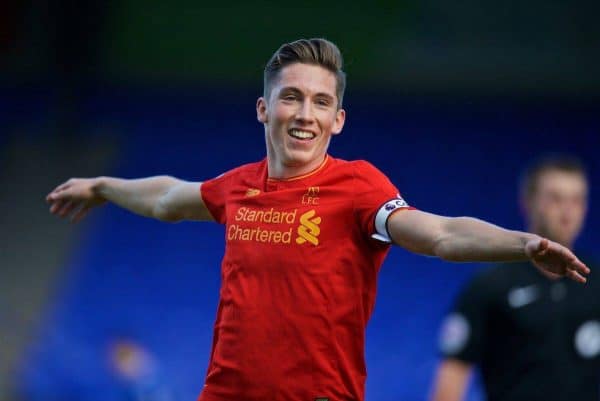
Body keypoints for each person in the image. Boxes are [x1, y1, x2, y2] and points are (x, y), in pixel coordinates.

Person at [46, 38, 589, 401]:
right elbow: (168, 198)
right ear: (264, 109)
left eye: (321, 102)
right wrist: (102, 186)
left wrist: (522, 244)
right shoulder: (239, 187)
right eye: (291, 98)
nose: (305, 114)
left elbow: (441, 234)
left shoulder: (358, 187)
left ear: (338, 119)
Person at [430, 156, 598, 401]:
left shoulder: (597, 282)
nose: (567, 211)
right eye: (555, 198)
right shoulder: (491, 287)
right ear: (528, 202)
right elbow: (450, 382)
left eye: (577, 200)